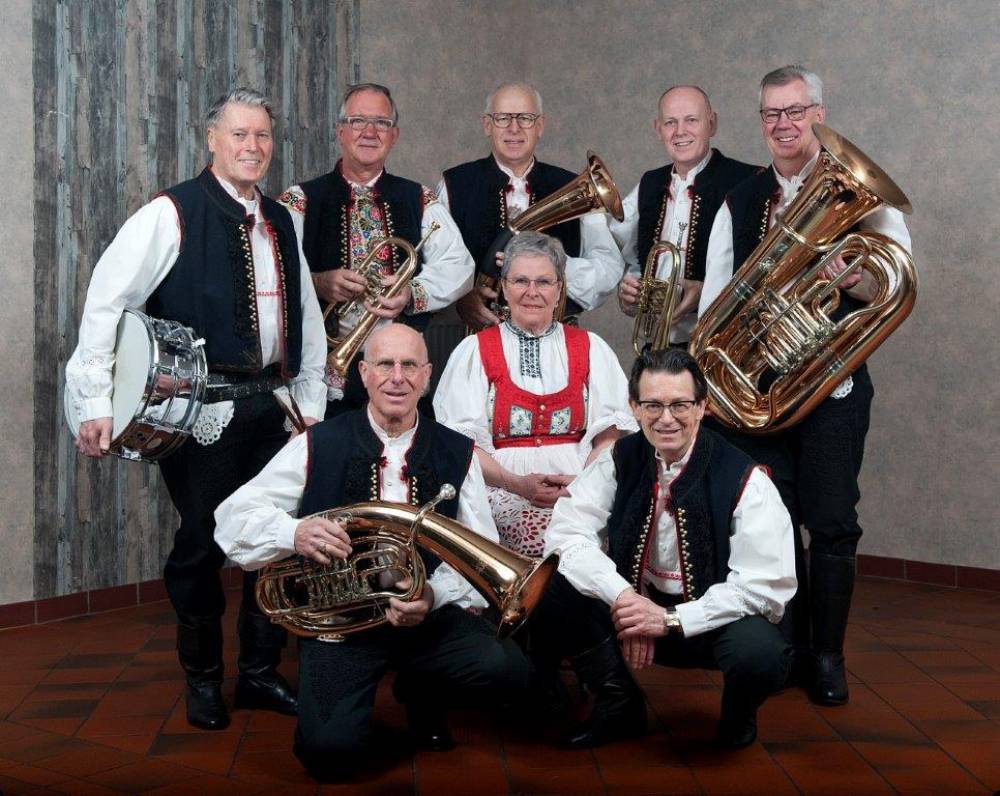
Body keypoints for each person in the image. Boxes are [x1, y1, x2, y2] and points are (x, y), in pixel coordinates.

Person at [65, 88, 327, 730]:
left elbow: (307, 318)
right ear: (212, 139)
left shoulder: (281, 219)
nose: (252, 146)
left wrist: (312, 400)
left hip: (275, 409)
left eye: (262, 135)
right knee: (203, 544)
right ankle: (204, 679)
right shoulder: (170, 212)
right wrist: (94, 400)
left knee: (278, 539)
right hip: (203, 415)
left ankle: (259, 674)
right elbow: (106, 304)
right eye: (239, 134)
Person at [215, 323, 531, 782]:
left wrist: (432, 597)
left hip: (425, 619)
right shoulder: (316, 443)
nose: (397, 378)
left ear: (427, 376)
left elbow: (476, 552)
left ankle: (420, 690)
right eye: (385, 364)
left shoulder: (458, 452)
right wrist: (294, 531)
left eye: (409, 366)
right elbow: (232, 518)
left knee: (509, 670)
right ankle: (346, 719)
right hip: (341, 626)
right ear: (363, 374)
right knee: (330, 756)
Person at [698, 65, 913, 707]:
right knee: (773, 521)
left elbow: (894, 280)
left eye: (795, 111)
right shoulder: (738, 200)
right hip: (755, 395)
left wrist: (851, 279)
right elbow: (714, 303)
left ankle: (827, 657)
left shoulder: (864, 200)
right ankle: (788, 650)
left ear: (819, 113)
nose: (783, 124)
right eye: (771, 113)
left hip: (830, 390)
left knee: (832, 520)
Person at [532, 348, 796, 749]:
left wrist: (670, 619)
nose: (666, 418)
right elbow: (567, 535)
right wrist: (623, 597)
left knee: (761, 654)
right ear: (634, 407)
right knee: (551, 587)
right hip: (631, 612)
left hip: (711, 625)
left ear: (702, 407)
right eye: (653, 405)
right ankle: (619, 704)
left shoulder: (746, 478)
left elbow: (762, 587)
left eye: (680, 405)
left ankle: (738, 714)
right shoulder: (619, 459)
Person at [434, 232, 636, 558]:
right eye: (520, 281)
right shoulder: (474, 350)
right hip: (500, 488)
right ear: (504, 287)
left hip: (581, 486)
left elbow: (609, 438)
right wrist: (515, 483)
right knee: (539, 534)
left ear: (559, 289)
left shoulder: (592, 348)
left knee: (616, 537)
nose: (532, 292)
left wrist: (581, 485)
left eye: (543, 282)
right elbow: (461, 446)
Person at [279, 83, 474, 413]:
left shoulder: (419, 197)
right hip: (322, 375)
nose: (369, 132)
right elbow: (272, 275)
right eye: (358, 121)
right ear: (340, 131)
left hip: (399, 373)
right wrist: (317, 282)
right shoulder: (300, 199)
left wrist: (410, 293)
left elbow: (459, 265)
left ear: (394, 135)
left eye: (381, 123)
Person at [440, 81, 624, 329]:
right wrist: (460, 300)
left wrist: (557, 265)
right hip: (478, 335)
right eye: (503, 118)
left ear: (540, 126)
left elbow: (609, 267)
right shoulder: (453, 184)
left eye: (525, 118)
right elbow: (438, 263)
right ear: (487, 125)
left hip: (556, 336)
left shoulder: (576, 187)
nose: (514, 128)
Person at [612, 86, 756, 347]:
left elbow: (764, 270)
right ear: (658, 129)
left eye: (691, 120)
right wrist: (630, 291)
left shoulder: (748, 181)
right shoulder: (649, 183)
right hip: (657, 346)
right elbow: (627, 257)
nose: (680, 131)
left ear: (712, 124)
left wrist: (707, 291)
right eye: (670, 122)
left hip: (722, 346)